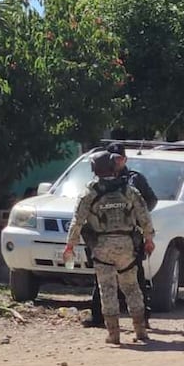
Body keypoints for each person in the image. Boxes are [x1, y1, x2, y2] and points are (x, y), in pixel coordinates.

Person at [64, 151, 155, 344]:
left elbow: (77, 222)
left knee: (107, 289)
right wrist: (149, 239)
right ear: (114, 167)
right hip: (127, 247)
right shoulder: (129, 190)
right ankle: (140, 331)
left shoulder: (89, 193)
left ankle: (114, 335)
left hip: (102, 248)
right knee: (132, 287)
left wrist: (69, 247)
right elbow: (144, 216)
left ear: (94, 170)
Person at [84, 143, 158, 328]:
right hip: (104, 237)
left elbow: (150, 201)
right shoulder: (101, 182)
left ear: (124, 159)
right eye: (112, 158)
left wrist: (135, 217)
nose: (116, 161)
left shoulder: (133, 180)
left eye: (119, 158)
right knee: (103, 279)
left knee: (136, 279)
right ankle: (99, 317)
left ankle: (142, 318)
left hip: (129, 236)